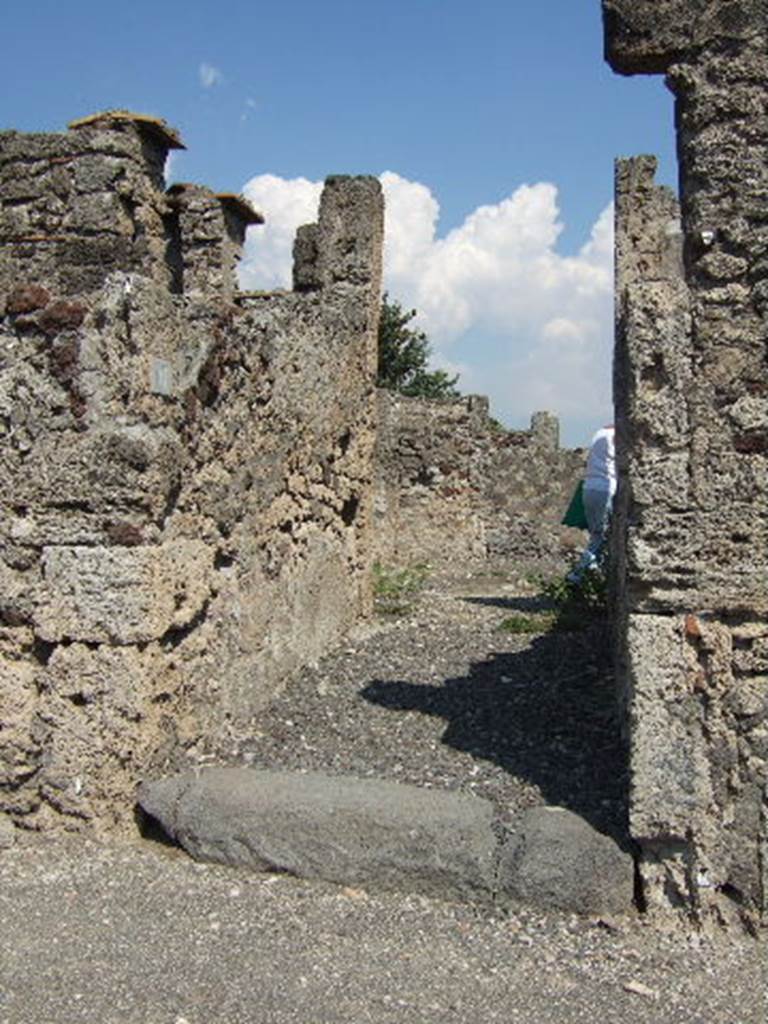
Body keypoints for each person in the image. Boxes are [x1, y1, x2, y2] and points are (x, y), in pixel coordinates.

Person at [568, 424, 616, 583]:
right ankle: (579, 574)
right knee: (605, 537)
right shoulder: (617, 435)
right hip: (607, 488)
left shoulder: (600, 432)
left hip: (589, 487)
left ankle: (590, 574)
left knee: (597, 535)